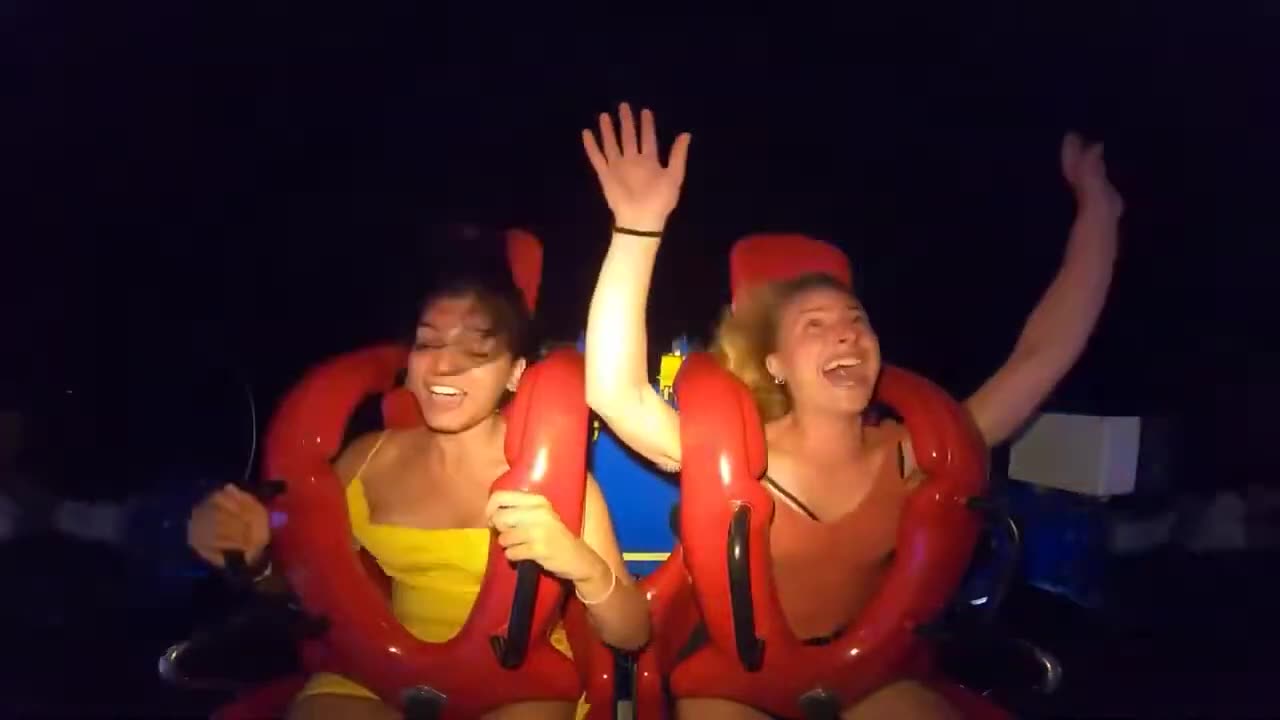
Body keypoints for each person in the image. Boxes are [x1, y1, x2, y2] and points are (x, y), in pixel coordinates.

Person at [581, 104, 1123, 719]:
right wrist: (636, 227)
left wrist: (1098, 216)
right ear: (776, 363)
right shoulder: (726, 453)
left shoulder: (913, 453)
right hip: (731, 680)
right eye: (815, 326)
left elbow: (1039, 358)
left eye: (856, 322)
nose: (846, 336)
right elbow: (614, 391)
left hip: (866, 674)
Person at [187, 235, 649, 720]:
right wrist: (258, 556)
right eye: (428, 342)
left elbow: (633, 633)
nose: (444, 365)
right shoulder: (364, 464)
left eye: (476, 351)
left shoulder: (555, 479)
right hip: (381, 673)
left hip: (519, 683)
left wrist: (580, 564)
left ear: (515, 374)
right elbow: (305, 588)